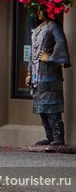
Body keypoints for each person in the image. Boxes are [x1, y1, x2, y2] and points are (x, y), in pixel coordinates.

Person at [28, 9, 71, 146]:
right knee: (41, 106)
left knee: (52, 105)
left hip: (50, 73)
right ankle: (49, 135)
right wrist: (29, 72)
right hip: (37, 73)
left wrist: (50, 57)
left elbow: (61, 44)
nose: (39, 12)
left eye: (41, 9)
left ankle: (58, 136)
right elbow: (33, 51)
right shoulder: (39, 28)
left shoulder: (54, 26)